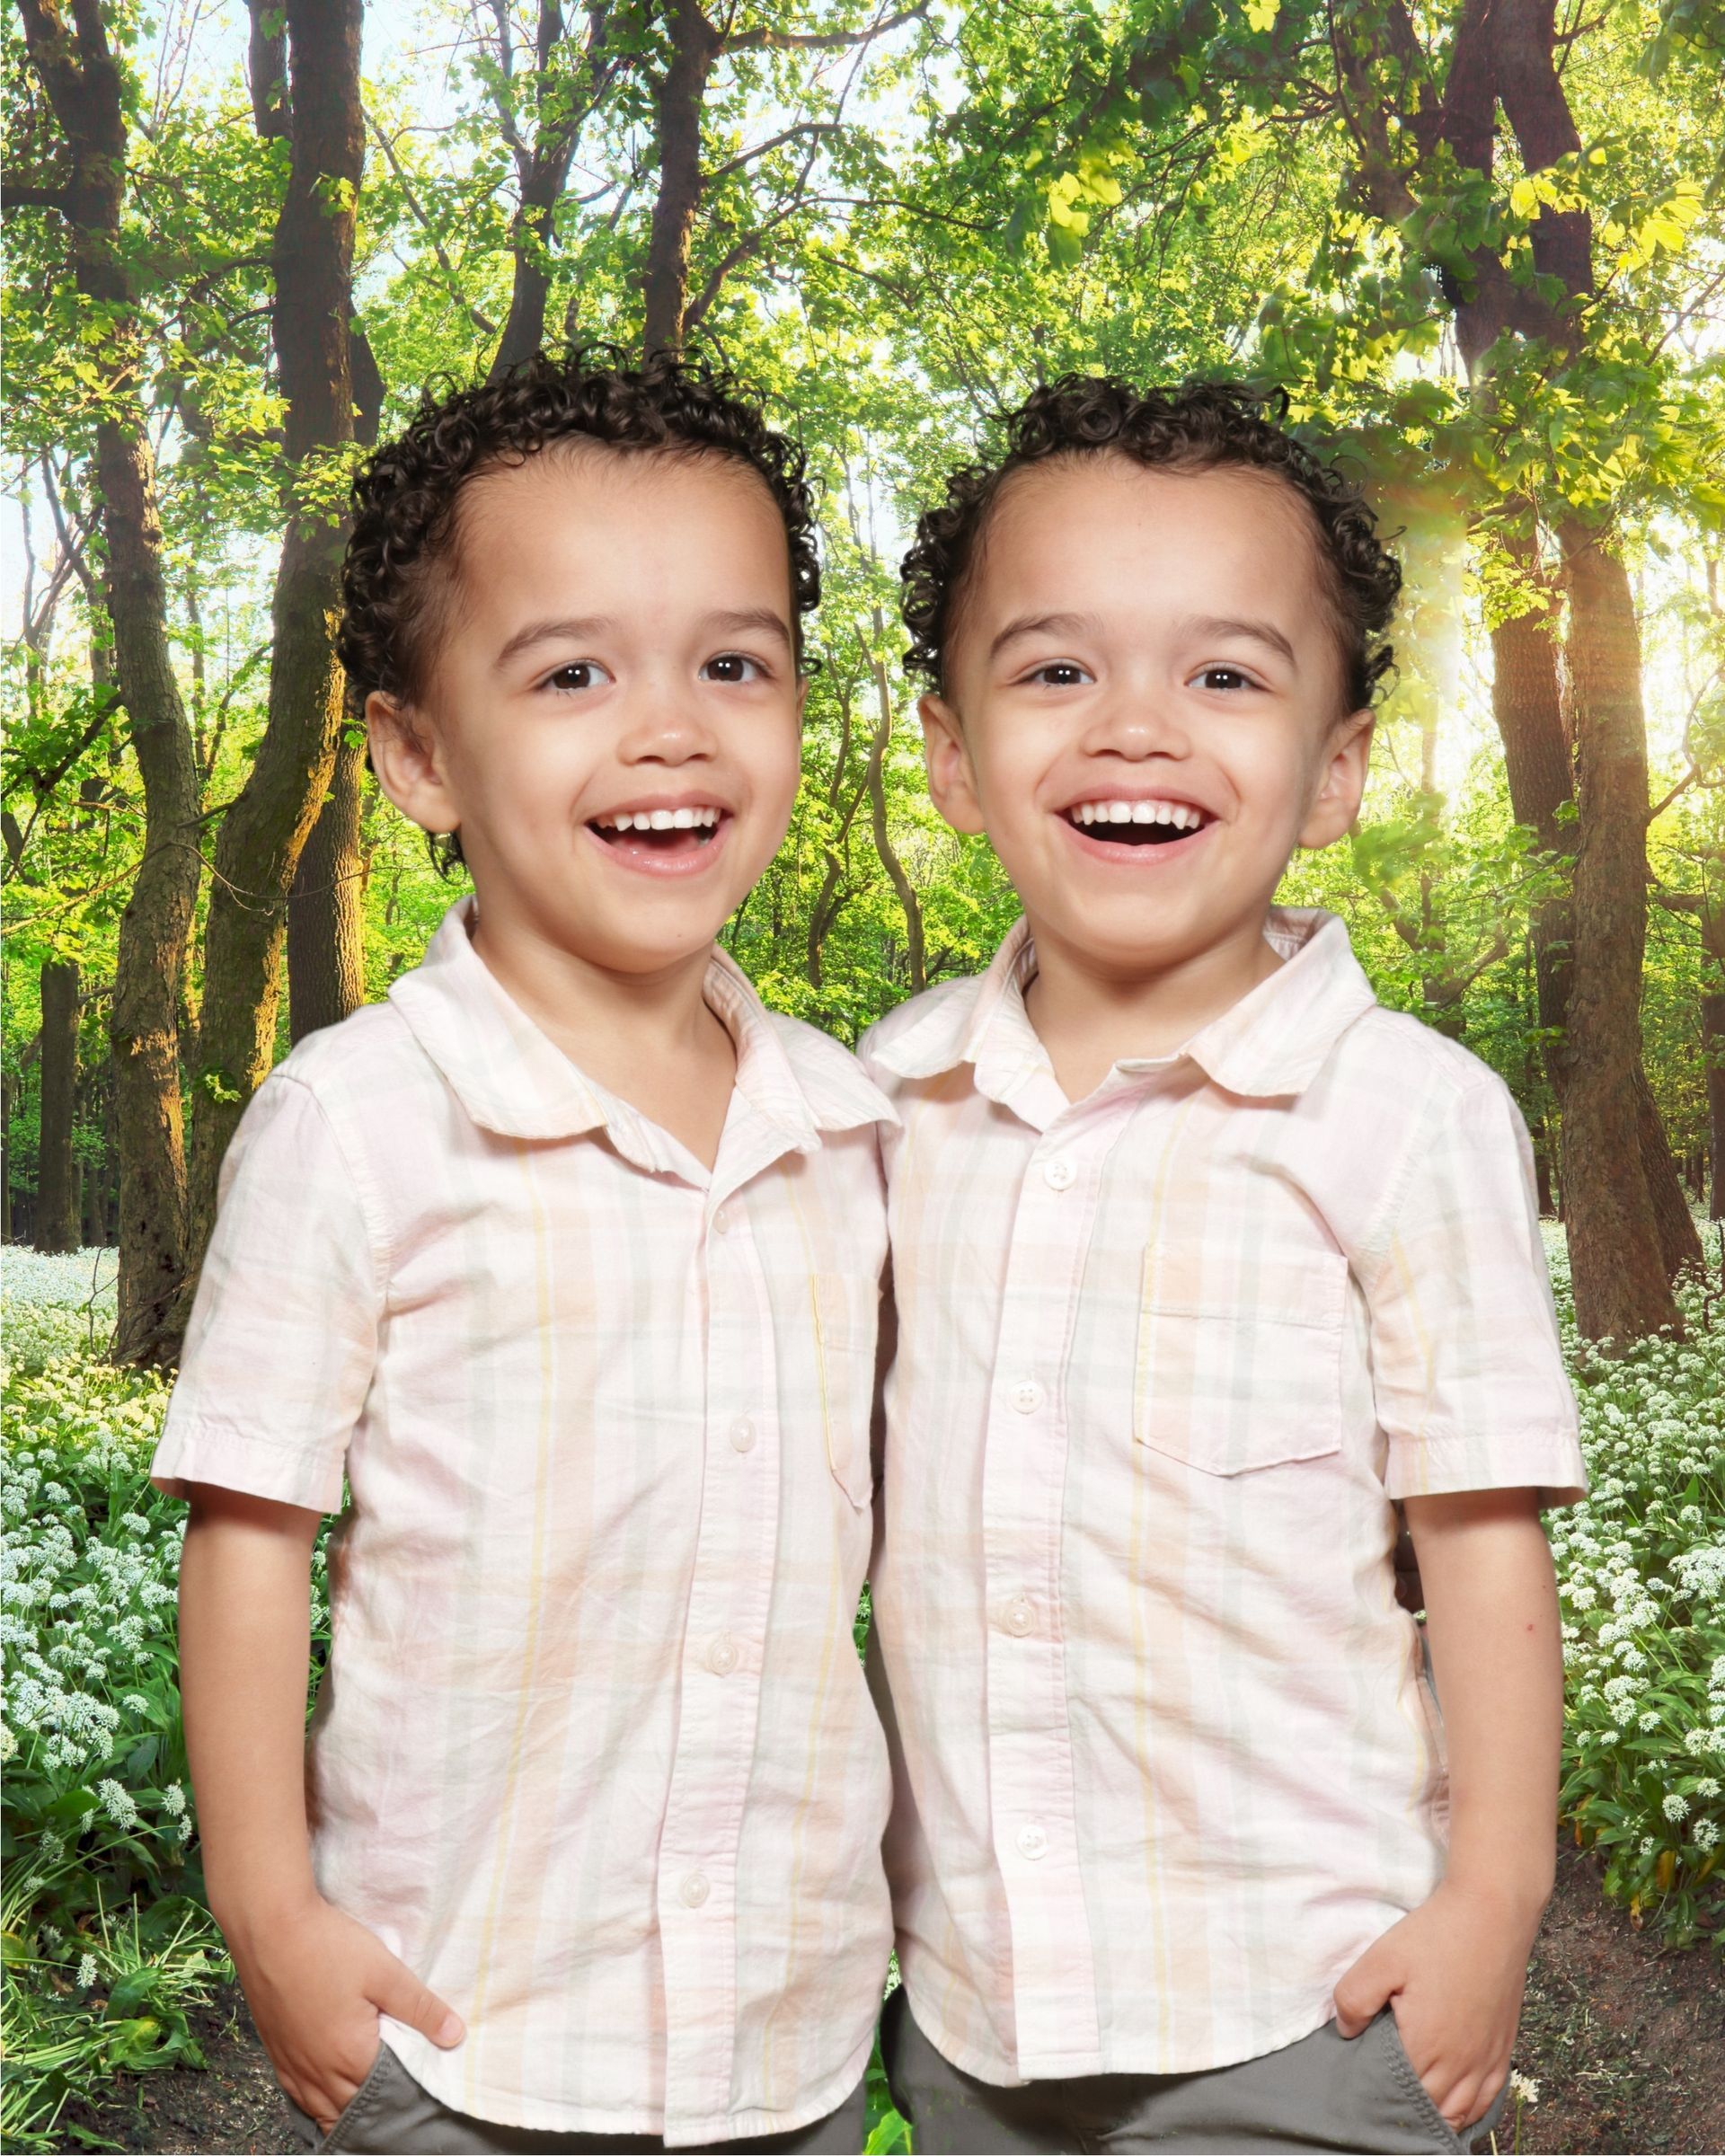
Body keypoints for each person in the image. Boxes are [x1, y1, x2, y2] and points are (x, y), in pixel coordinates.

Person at [153, 351, 895, 2155]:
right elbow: (250, 1533)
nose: (671, 730)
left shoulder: (853, 1123)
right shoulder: (358, 1123)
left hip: (790, 2024)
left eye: (735, 665)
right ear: (419, 755)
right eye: (574, 673)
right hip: (464, 2023)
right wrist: (271, 1913)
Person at [860, 376, 1587, 2154]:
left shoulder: (1406, 1117)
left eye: (1227, 677)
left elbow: (1480, 1536)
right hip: (970, 2004)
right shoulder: (883, 1102)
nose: (1138, 727)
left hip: (1307, 1998)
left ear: (1336, 771)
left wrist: (1491, 1902)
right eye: (1056, 669)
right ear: (951, 755)